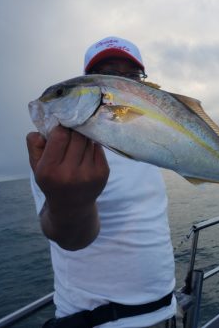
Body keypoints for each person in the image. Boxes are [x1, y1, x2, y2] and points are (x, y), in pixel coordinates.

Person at [26, 36, 177, 328]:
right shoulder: (57, 153)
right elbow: (68, 236)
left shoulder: (147, 142)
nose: (120, 84)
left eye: (132, 77)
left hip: (167, 312)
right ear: (89, 85)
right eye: (107, 74)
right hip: (99, 322)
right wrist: (70, 204)